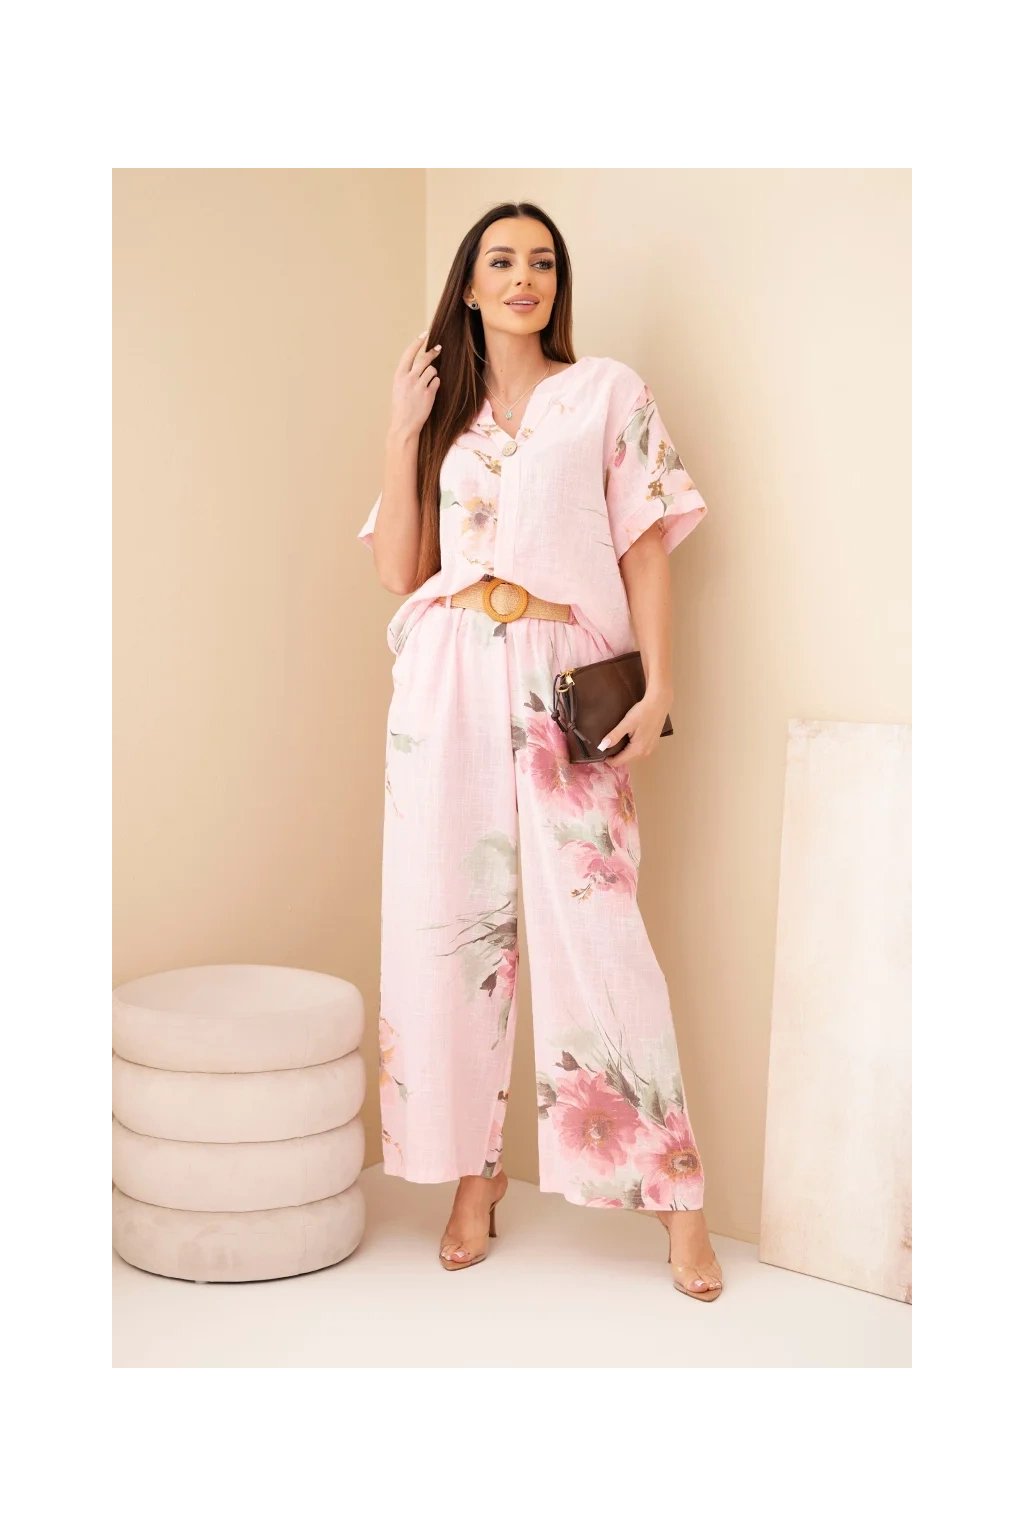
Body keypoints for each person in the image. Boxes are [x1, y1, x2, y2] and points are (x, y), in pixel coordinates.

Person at [357, 201, 723, 1301]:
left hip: (566, 673)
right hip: (446, 672)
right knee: (447, 927)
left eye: (544, 263)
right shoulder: (445, 415)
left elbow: (645, 545)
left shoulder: (605, 392)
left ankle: (679, 1203)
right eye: (502, 261)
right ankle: (474, 1184)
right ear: (469, 286)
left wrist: (660, 685)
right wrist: (401, 429)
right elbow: (399, 570)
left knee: (599, 932)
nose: (525, 277)